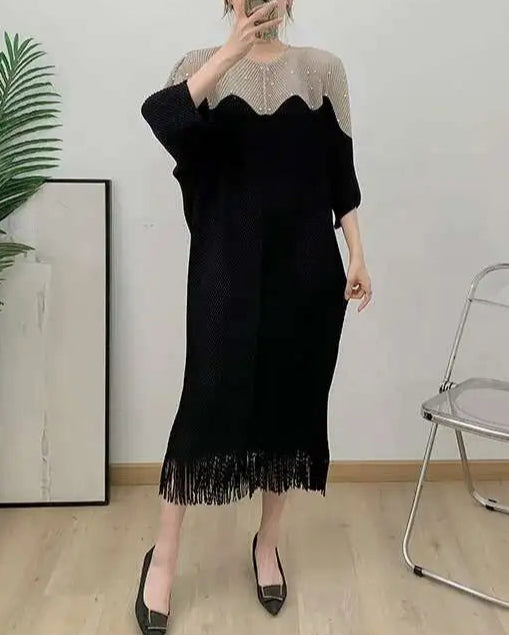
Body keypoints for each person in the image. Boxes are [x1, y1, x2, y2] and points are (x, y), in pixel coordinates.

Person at [136, 0, 372, 632]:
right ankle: (163, 559)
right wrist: (230, 54)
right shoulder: (200, 67)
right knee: (205, 401)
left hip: (307, 270)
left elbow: (341, 175)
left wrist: (357, 253)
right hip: (225, 270)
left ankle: (267, 544)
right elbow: (161, 118)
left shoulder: (322, 69)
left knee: (290, 404)